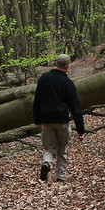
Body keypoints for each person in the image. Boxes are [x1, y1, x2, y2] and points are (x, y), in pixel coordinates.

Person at [33, 54, 85, 182]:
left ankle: (46, 163)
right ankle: (60, 177)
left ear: (56, 63)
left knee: (50, 148)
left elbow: (36, 102)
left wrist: (37, 121)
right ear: (67, 66)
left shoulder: (44, 79)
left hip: (46, 119)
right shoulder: (68, 83)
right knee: (62, 149)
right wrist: (81, 130)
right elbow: (75, 108)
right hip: (62, 120)